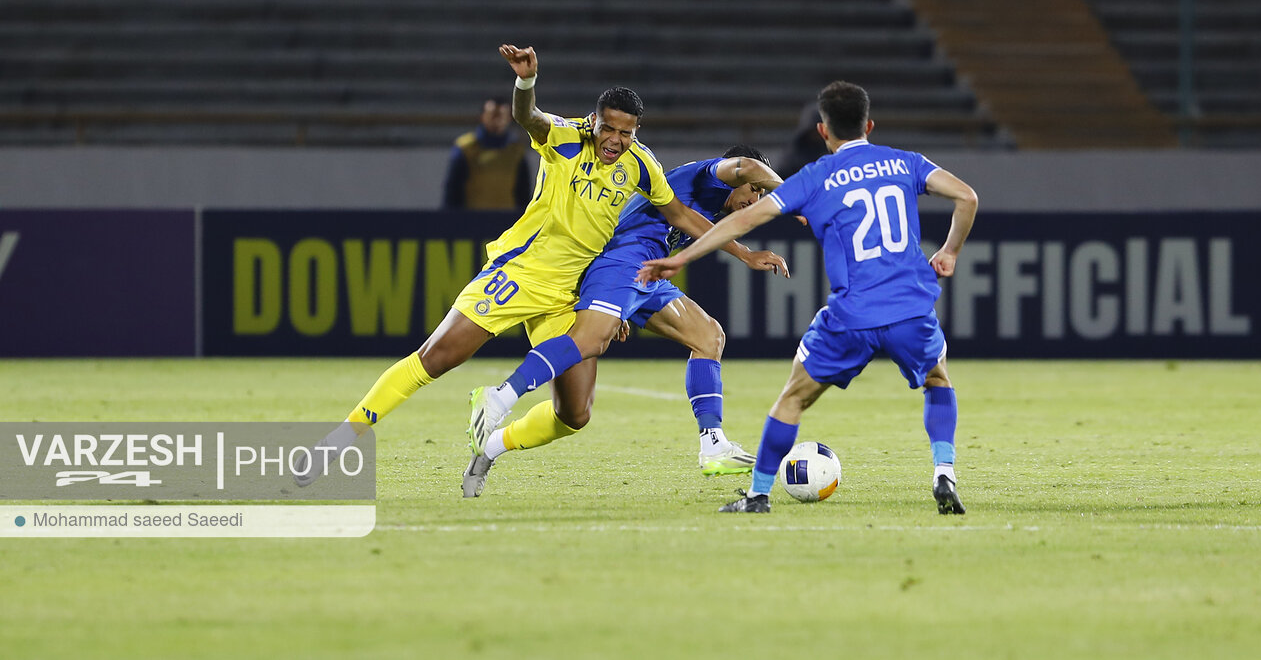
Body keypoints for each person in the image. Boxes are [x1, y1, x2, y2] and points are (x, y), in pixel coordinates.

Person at [293, 44, 781, 489]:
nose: (614, 140)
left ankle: (491, 444)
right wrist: (525, 83)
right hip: (521, 273)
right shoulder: (565, 136)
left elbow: (678, 214)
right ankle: (340, 440)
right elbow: (528, 118)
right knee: (436, 358)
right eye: (608, 127)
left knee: (575, 415)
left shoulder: (641, 164)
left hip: (572, 291)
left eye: (625, 133)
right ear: (594, 120)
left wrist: (619, 304)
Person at [638, 81, 979, 516]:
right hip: (911, 307)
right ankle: (944, 473)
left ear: (823, 131)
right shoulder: (905, 162)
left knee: (793, 399)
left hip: (851, 314)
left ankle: (758, 496)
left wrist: (680, 258)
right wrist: (949, 252)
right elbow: (966, 197)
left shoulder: (817, 176)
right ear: (869, 124)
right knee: (937, 381)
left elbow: (741, 221)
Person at [462, 146, 790, 496]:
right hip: (622, 263)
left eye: (763, 195)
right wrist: (798, 193)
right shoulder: (710, 176)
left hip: (648, 273)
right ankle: (497, 398)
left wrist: (745, 254)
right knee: (590, 341)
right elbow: (747, 166)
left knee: (709, 336)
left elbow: (703, 229)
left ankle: (713, 445)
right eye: (755, 190)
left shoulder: (710, 204)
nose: (756, 200)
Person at [442, 96, 533, 210]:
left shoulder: (516, 152)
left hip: (508, 220)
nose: (497, 120)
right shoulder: (466, 148)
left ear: (509, 118)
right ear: (483, 116)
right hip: (472, 219)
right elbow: (453, 189)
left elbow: (523, 191)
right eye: (493, 115)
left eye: (501, 115)